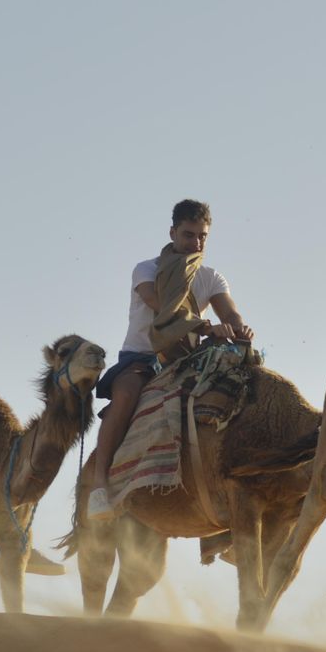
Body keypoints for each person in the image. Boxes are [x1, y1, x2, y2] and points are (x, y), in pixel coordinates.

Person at [84, 199, 254, 522]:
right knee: (125, 395)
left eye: (203, 236)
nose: (197, 243)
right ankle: (99, 484)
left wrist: (239, 326)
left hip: (190, 361)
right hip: (142, 358)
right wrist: (204, 326)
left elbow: (228, 310)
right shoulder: (147, 269)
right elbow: (160, 304)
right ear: (173, 232)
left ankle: (226, 506)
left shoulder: (210, 277)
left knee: (236, 397)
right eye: (189, 235)